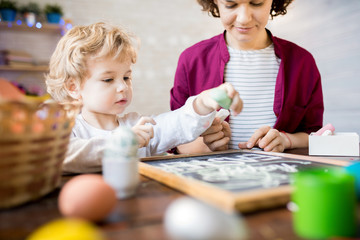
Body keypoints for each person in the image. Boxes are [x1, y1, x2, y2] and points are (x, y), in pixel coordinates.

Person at [45, 22, 243, 173]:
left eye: (126, 77)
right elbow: (65, 154)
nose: (123, 86)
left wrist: (204, 101)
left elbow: (176, 123)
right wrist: (123, 142)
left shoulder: (136, 125)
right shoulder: (69, 128)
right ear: (74, 87)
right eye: (108, 79)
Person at [170, 0, 323, 154]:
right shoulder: (191, 60)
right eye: (231, 4)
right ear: (215, 2)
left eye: (257, 3)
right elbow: (174, 137)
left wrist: (287, 140)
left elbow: (315, 136)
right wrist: (204, 146)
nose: (244, 18)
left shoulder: (302, 62)